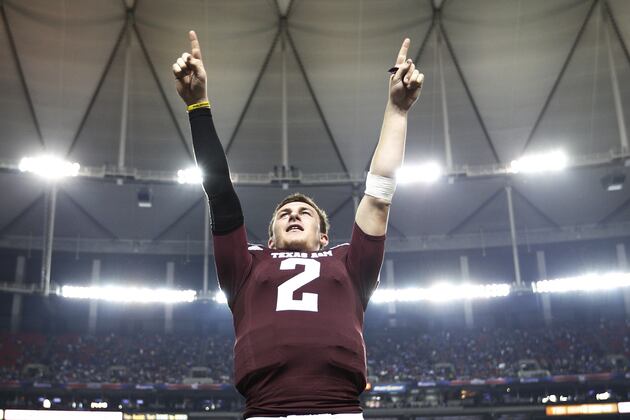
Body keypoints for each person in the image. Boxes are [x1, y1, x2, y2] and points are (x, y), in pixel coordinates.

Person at [172, 30, 423, 419]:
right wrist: (197, 106)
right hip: (265, 411)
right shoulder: (246, 265)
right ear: (269, 237)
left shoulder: (347, 262)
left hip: (339, 411)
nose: (292, 214)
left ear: (324, 236)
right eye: (283, 214)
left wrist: (398, 111)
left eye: (304, 213)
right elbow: (220, 192)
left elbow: (377, 196)